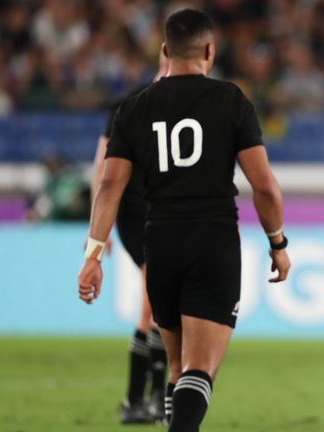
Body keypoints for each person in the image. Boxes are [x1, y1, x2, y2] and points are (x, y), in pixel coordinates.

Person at [77, 9, 291, 432]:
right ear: (210, 50)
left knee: (176, 369)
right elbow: (264, 187)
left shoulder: (133, 107)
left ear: (164, 51)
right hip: (212, 241)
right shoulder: (231, 99)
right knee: (201, 368)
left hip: (160, 243)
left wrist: (93, 255)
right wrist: (278, 243)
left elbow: (109, 187)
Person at [90, 52, 169, 424]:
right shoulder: (130, 105)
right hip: (136, 213)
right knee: (156, 302)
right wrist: (97, 228)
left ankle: (139, 400)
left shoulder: (187, 102)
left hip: (168, 214)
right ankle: (150, 400)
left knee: (152, 307)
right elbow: (103, 169)